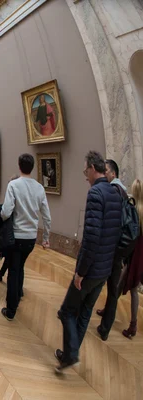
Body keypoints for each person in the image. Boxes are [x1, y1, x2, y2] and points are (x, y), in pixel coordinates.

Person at [55, 151, 121, 373]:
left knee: (66, 311)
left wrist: (80, 272)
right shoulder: (115, 193)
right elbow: (115, 235)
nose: (85, 176)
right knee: (84, 313)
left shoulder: (95, 193)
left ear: (93, 168)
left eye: (85, 171)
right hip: (105, 269)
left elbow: (92, 238)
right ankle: (70, 353)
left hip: (91, 269)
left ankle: (70, 355)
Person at [0, 155, 51, 321]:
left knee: (14, 270)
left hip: (16, 235)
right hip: (31, 238)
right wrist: (46, 238)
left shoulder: (14, 185)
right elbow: (47, 216)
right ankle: (18, 293)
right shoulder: (39, 188)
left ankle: (11, 309)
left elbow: (6, 212)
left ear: (19, 166)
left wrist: (0, 217)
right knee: (20, 267)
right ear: (33, 167)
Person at [95, 159, 129, 340]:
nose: (103, 174)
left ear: (113, 174)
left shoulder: (114, 191)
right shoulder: (122, 191)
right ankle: (106, 314)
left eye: (105, 171)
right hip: (118, 247)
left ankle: (105, 328)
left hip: (112, 248)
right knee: (111, 286)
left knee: (106, 285)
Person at [118, 179, 143, 339]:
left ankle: (132, 324)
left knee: (124, 287)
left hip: (136, 254)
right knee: (133, 289)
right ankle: (132, 324)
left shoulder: (134, 209)